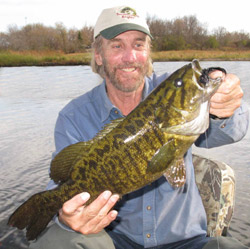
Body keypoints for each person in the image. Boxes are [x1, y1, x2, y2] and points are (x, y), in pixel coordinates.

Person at [29, 6, 249, 249]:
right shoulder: (74, 116)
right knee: (55, 242)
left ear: (147, 52)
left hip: (188, 241)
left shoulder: (168, 91)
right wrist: (65, 214)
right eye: (116, 46)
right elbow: (62, 180)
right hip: (113, 241)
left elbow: (235, 129)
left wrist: (225, 104)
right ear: (99, 55)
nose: (130, 57)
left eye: (138, 45)